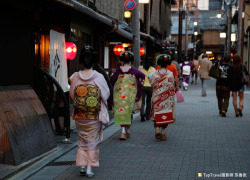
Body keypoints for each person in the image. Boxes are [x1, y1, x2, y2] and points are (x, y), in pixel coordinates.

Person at [68, 46, 110, 178]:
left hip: (80, 115)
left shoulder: (75, 77)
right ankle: (89, 168)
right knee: (93, 140)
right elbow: (106, 94)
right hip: (93, 115)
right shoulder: (98, 76)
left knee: (82, 139)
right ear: (94, 61)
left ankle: (81, 165)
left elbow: (72, 94)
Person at [110, 51, 145, 140]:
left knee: (121, 111)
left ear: (121, 60)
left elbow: (112, 80)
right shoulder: (133, 71)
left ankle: (123, 131)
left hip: (119, 96)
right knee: (129, 112)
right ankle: (127, 130)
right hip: (130, 95)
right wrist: (138, 84)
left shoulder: (118, 71)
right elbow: (142, 76)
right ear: (131, 61)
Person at [149, 54, 175, 141]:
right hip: (167, 98)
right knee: (165, 113)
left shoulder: (155, 74)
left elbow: (152, 84)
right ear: (168, 63)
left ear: (159, 63)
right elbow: (172, 85)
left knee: (156, 113)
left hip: (157, 97)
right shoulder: (170, 74)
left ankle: (157, 129)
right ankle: (163, 133)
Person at [138, 57, 156, 122]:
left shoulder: (140, 68)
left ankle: (142, 113)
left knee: (142, 101)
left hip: (142, 86)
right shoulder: (153, 69)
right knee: (148, 101)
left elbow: (137, 76)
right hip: (150, 87)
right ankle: (147, 115)